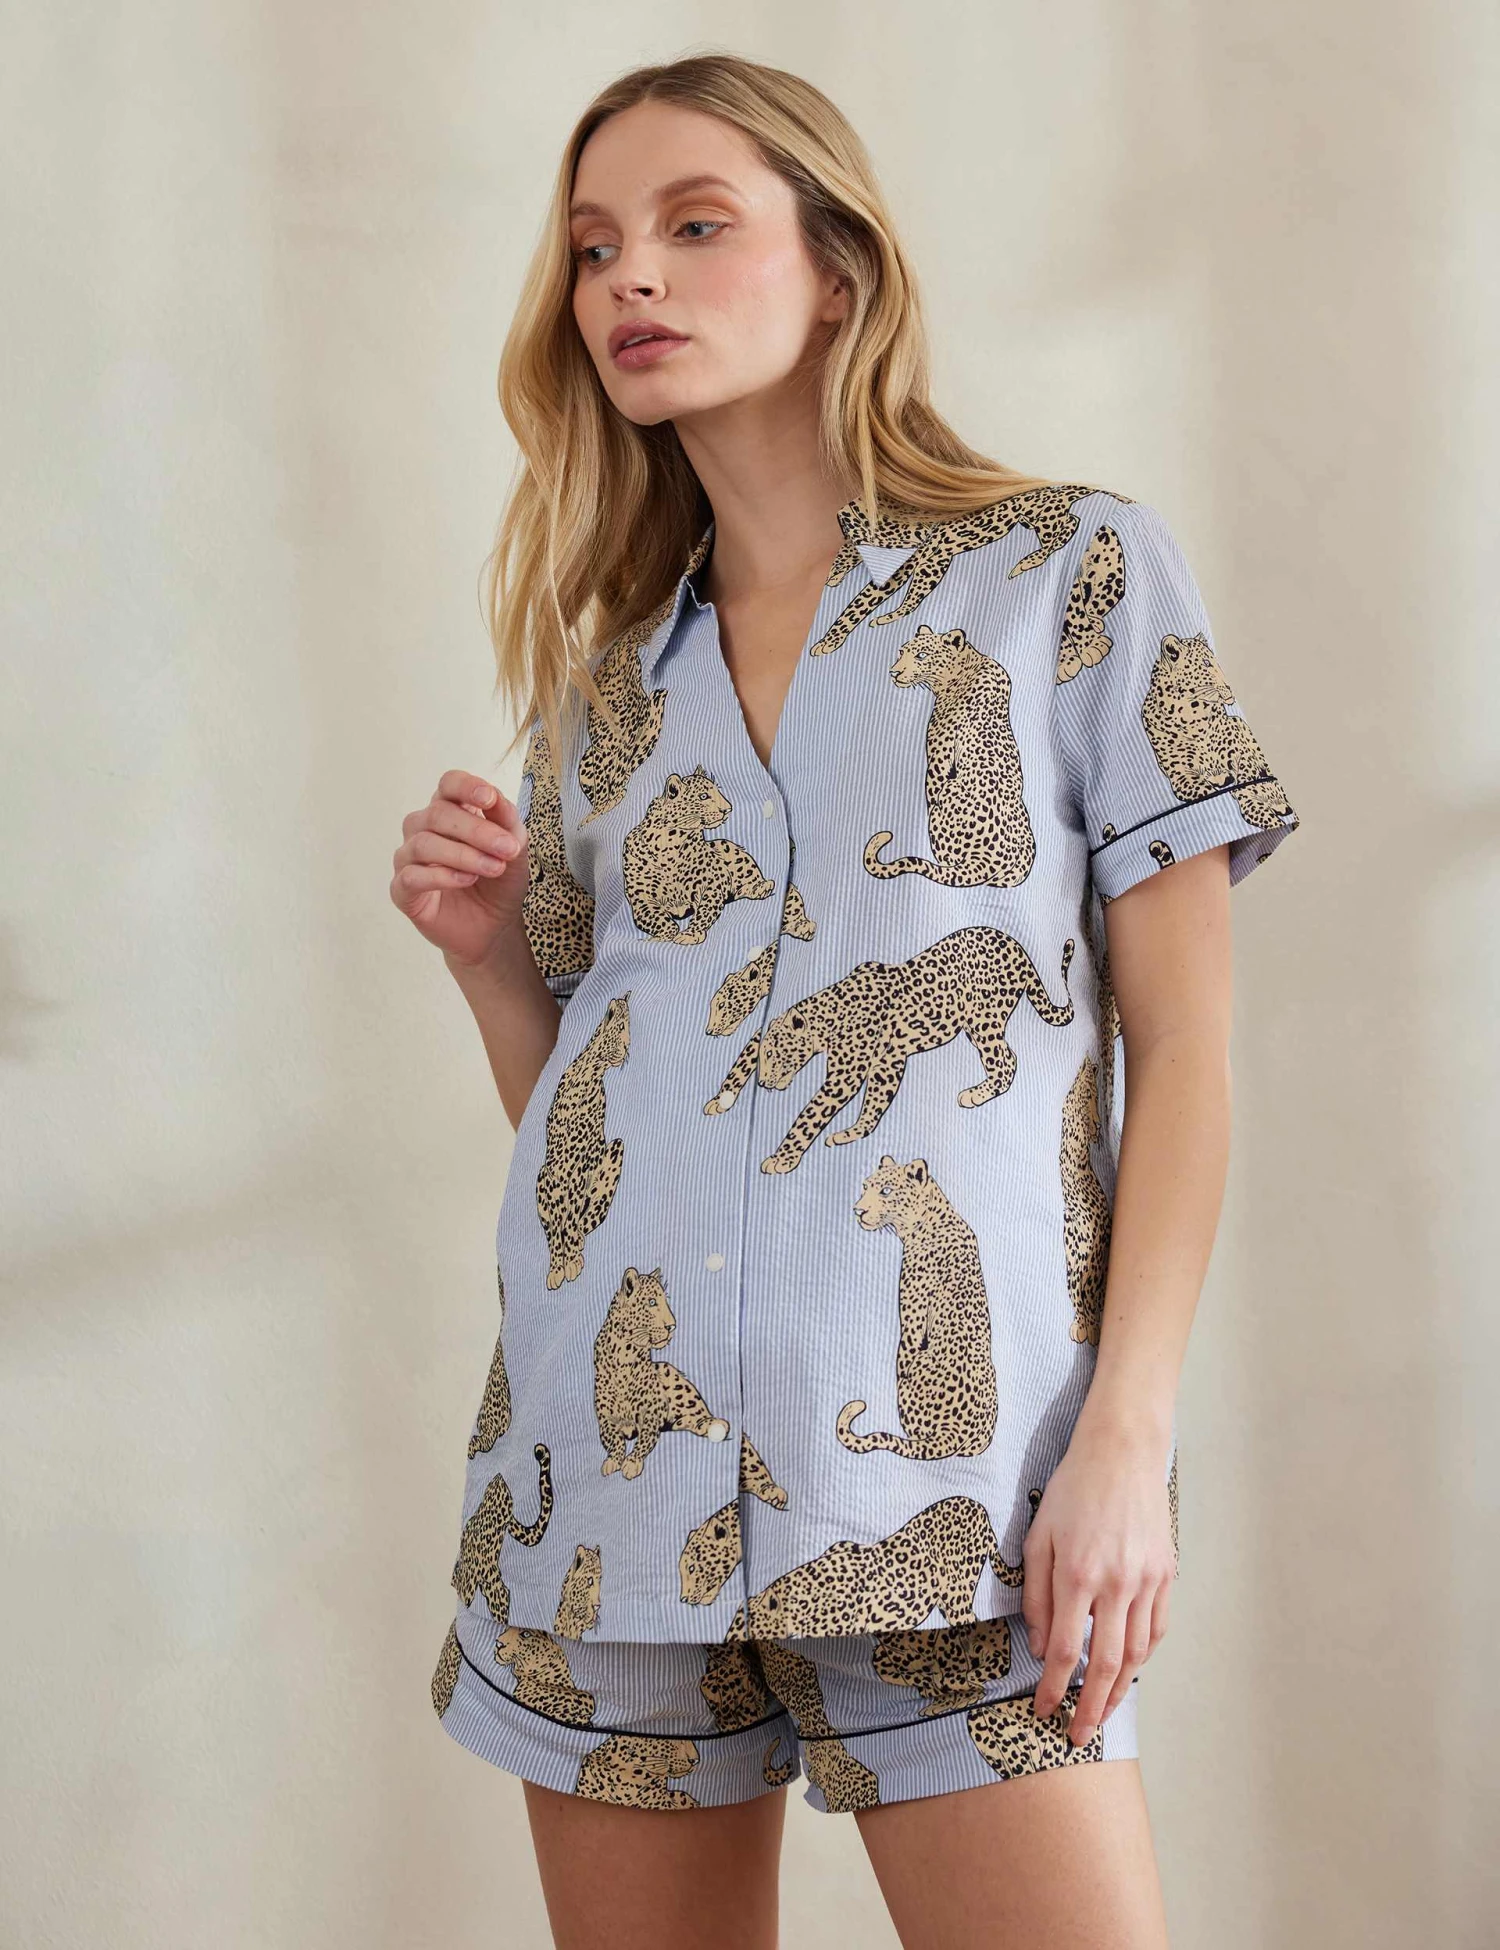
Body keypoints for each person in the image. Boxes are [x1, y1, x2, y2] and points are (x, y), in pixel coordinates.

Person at [389, 50, 1300, 1950]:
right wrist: (490, 962)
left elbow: (1190, 1049)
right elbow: (608, 1137)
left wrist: (1126, 1442)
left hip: (966, 1505)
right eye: (594, 246)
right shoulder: (606, 689)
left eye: (694, 225)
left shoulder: (1069, 576)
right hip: (609, 1497)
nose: (631, 278)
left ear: (840, 269)